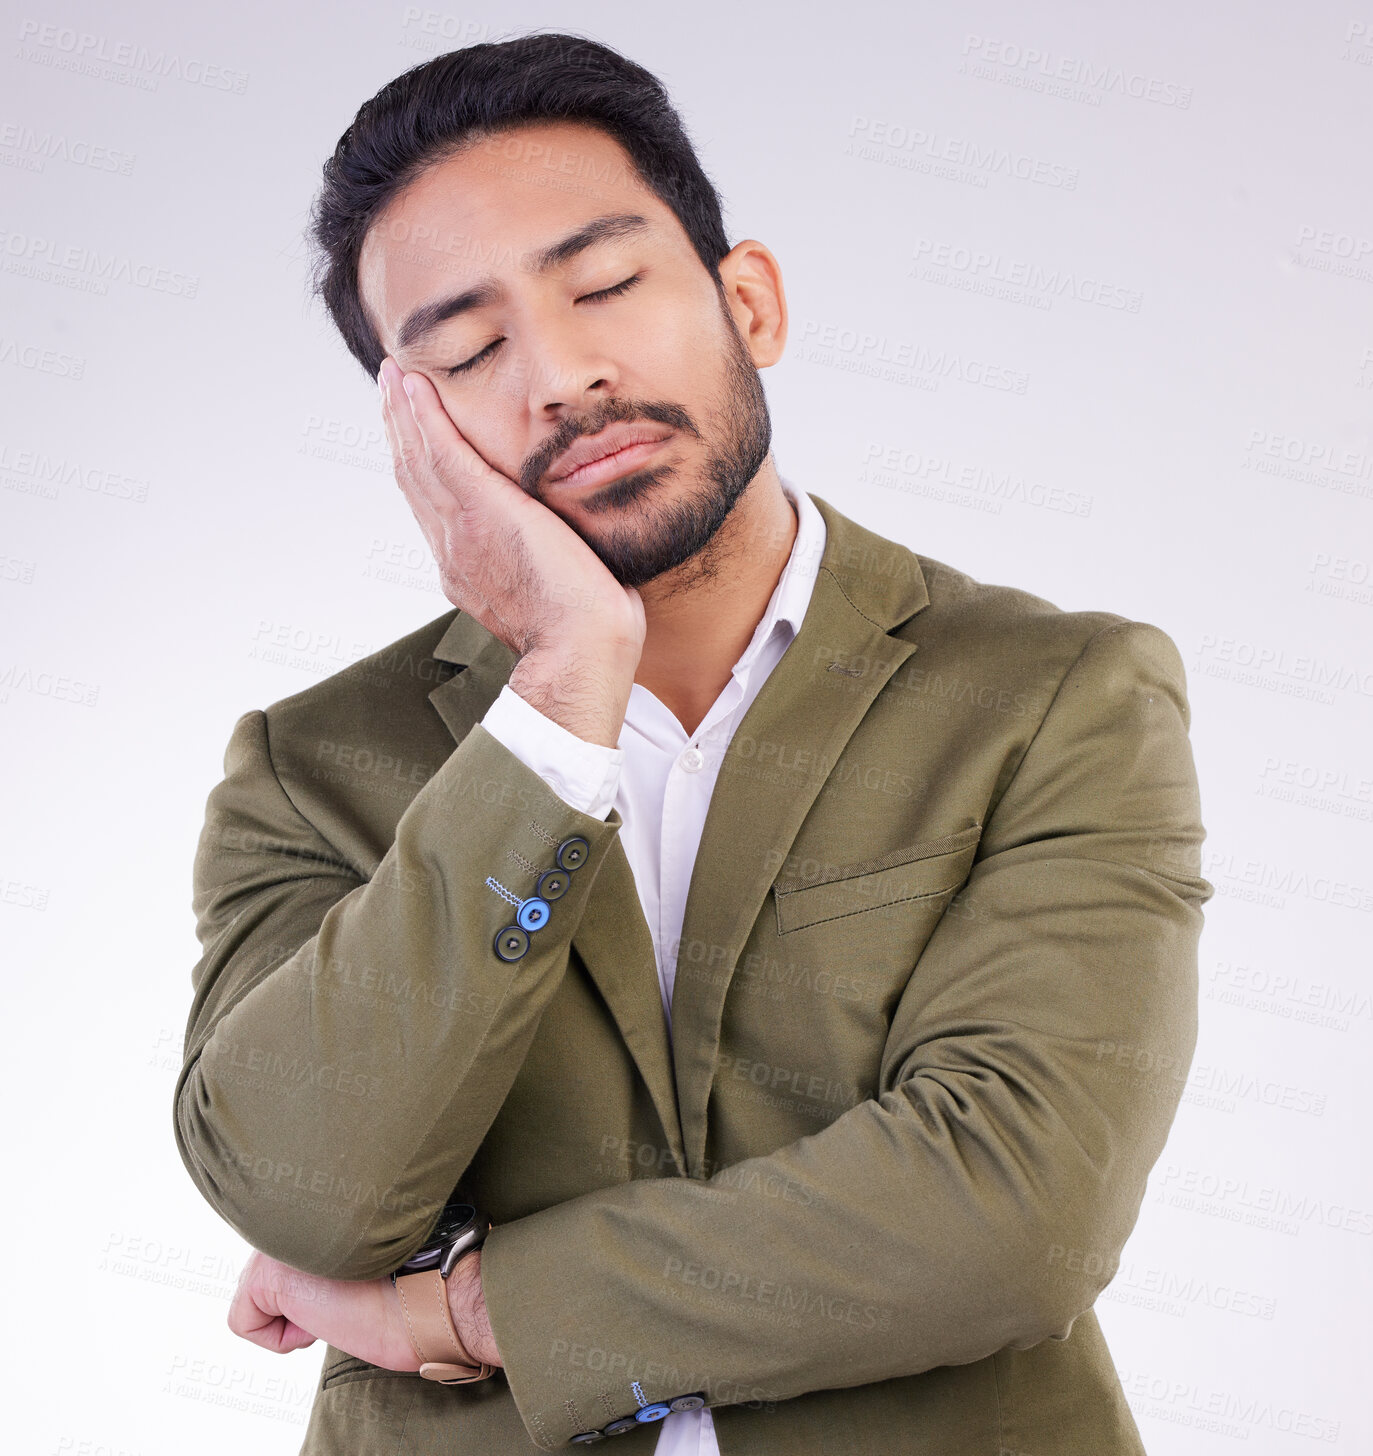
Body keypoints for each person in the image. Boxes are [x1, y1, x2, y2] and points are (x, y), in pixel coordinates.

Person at [174, 30, 1213, 1455]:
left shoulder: (1056, 695)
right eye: (471, 350)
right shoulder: (314, 768)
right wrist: (558, 691)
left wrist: (468, 1314)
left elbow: (1010, 1212)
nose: (559, 375)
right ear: (407, 432)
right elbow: (302, 1189)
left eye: (604, 285)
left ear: (749, 301)